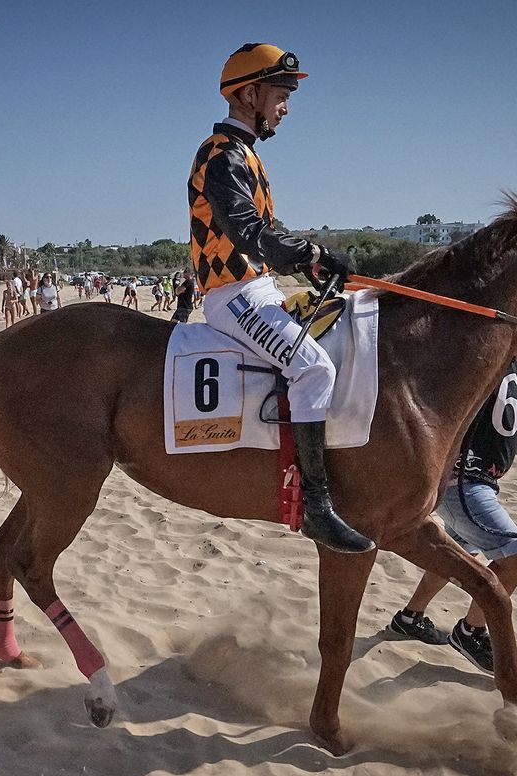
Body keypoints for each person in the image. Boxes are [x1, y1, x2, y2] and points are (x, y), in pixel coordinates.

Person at [191, 42, 366, 552]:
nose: (286, 107)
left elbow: (267, 231)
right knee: (314, 368)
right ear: (249, 93)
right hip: (234, 296)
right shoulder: (220, 155)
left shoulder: (245, 155)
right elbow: (247, 230)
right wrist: (308, 251)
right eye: (281, 95)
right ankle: (316, 506)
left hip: (260, 287)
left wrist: (314, 260)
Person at [386, 339, 517, 671]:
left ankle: (410, 617)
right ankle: (470, 630)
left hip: (481, 480)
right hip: (462, 483)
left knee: (456, 552)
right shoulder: (474, 348)